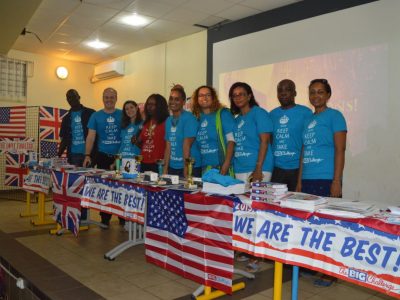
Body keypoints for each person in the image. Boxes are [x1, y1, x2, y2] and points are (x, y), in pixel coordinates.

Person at [296, 78, 347, 287]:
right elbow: (303, 151)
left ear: (328, 95)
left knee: (328, 226)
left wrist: (336, 181)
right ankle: (316, 267)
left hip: (326, 178)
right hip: (307, 179)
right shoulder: (308, 120)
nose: (316, 96)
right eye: (312, 92)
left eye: (320, 92)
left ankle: (331, 272)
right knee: (312, 226)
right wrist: (299, 181)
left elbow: (340, 150)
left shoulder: (335, 116)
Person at [229, 82, 274, 273]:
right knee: (245, 213)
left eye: (241, 94)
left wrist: (258, 169)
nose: (238, 98)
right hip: (240, 169)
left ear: (249, 96)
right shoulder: (237, 118)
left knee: (258, 213)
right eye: (234, 95)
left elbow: (265, 142)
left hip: (258, 169)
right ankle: (247, 250)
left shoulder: (259, 113)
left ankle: (258, 255)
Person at [83, 87, 123, 227]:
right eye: (106, 97)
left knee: (121, 189)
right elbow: (90, 137)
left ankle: (123, 219)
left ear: (116, 98)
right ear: (103, 98)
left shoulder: (123, 114)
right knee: (105, 189)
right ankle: (105, 219)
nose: (109, 100)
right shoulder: (96, 116)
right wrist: (87, 155)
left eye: (112, 97)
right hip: (102, 157)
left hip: (121, 158)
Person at [270, 80, 312, 191]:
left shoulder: (305, 112)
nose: (283, 93)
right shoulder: (272, 114)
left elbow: (310, 141)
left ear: (295, 93)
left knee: (297, 203)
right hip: (276, 168)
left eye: (287, 90)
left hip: (298, 168)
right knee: (276, 204)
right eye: (280, 90)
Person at [191, 85, 235, 175]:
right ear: (196, 99)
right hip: (205, 169)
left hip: (222, 167)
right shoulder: (196, 118)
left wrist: (226, 164)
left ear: (213, 97)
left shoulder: (223, 113)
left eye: (208, 95)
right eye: (201, 95)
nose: (204, 98)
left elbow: (232, 140)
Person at [164, 84, 201, 178]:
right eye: (171, 98)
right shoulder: (168, 120)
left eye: (177, 99)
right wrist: (165, 170)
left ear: (183, 102)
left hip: (189, 167)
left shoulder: (189, 118)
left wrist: (186, 172)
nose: (173, 102)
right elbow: (168, 147)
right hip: (173, 168)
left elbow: (186, 146)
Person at [58, 89, 95, 166]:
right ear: (67, 100)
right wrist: (58, 155)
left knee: (89, 177)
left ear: (79, 97)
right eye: (69, 98)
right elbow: (65, 139)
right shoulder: (66, 118)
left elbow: (97, 133)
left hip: (89, 155)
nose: (71, 99)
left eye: (73, 96)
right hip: (73, 156)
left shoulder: (91, 113)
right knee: (74, 178)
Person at [138, 94, 169, 173]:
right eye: (148, 104)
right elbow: (143, 143)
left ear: (160, 106)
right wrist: (136, 141)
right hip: (143, 162)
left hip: (158, 164)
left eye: (153, 104)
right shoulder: (146, 122)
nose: (149, 107)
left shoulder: (167, 122)